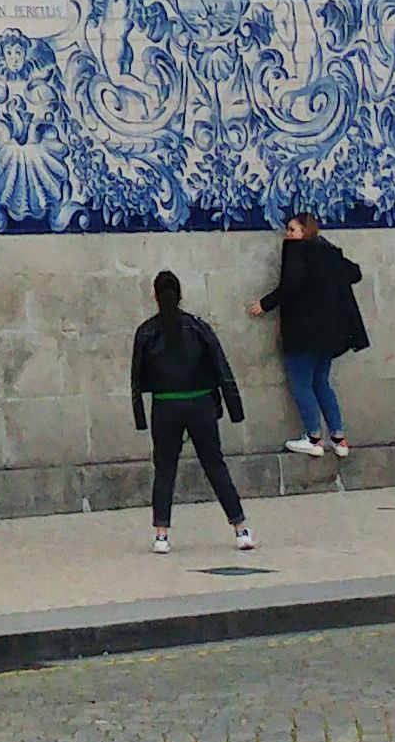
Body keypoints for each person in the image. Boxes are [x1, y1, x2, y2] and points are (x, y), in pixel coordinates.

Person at [130, 270, 255, 553]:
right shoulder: (198, 327)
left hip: (165, 406)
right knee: (215, 465)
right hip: (200, 404)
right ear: (181, 294)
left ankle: (161, 534)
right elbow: (220, 366)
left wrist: (139, 416)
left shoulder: (146, 331)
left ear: (154, 295)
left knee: (164, 469)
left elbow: (136, 377)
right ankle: (240, 528)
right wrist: (233, 407)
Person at [253, 212, 367, 458]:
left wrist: (265, 304)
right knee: (321, 383)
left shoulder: (296, 251)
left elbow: (290, 285)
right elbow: (354, 273)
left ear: (304, 231)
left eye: (292, 230)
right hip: (328, 334)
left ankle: (314, 438)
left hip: (303, 332)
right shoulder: (327, 252)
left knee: (302, 383)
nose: (288, 235)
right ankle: (338, 438)